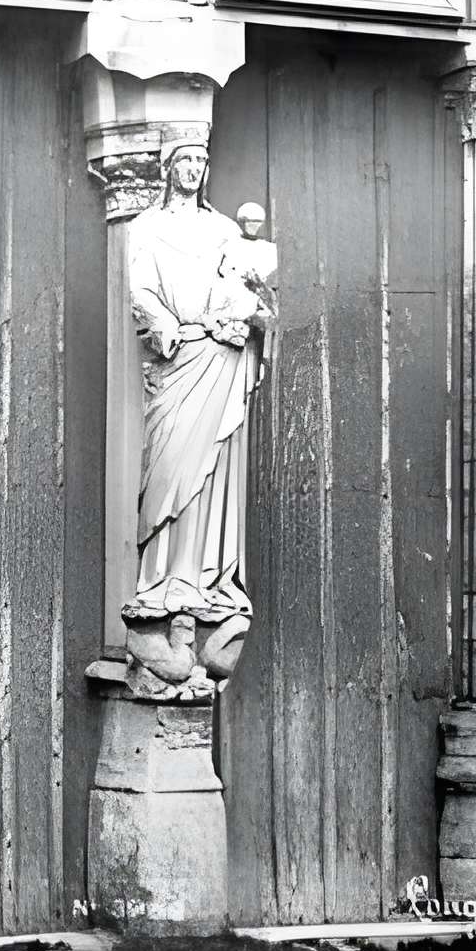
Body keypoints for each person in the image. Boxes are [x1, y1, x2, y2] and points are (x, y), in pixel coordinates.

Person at [124, 143, 271, 626]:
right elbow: (140, 290)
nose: (192, 170)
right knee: (168, 465)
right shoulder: (145, 227)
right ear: (168, 169)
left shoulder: (224, 231)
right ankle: (160, 576)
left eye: (200, 162)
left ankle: (203, 576)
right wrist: (165, 325)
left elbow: (247, 287)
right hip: (176, 358)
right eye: (183, 161)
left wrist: (241, 317)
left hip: (219, 355)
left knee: (210, 469)